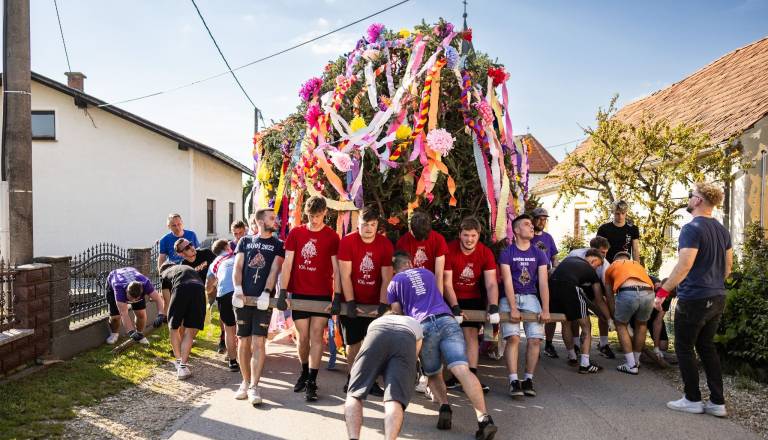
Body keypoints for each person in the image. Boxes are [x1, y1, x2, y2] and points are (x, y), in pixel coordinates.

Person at [387, 251, 497, 440]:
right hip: (447, 320)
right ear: (411, 262)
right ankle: (484, 419)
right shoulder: (428, 274)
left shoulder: (394, 283)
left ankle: (444, 406)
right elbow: (438, 293)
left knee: (433, 372)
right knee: (462, 369)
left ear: (394, 269)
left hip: (423, 325)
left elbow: (398, 313)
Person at [656, 182, 731, 417]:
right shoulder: (722, 230)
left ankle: (692, 399)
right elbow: (728, 268)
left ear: (698, 200)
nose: (689, 198)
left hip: (695, 298)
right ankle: (717, 403)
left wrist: (662, 293)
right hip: (717, 296)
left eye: (691, 195)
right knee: (707, 347)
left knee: (684, 347)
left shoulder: (692, 228)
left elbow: (684, 265)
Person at [277, 196, 341, 401]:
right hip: (300, 293)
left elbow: (337, 269)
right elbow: (288, 264)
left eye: (318, 216)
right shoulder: (296, 233)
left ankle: (312, 380)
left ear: (325, 214)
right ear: (306, 213)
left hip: (321, 294)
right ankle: (304, 371)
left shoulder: (331, 236)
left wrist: (337, 295)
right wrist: (283, 291)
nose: (314, 220)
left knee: (316, 337)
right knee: (302, 338)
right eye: (311, 216)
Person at [337, 205, 394, 394]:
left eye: (372, 224)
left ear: (377, 225)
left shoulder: (385, 244)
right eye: (364, 224)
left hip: (375, 301)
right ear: (357, 224)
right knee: (352, 344)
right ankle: (352, 379)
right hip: (351, 299)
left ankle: (371, 381)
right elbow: (345, 275)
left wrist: (384, 304)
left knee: (373, 344)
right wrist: (351, 302)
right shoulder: (348, 242)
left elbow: (387, 277)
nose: (368, 228)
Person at [232, 208, 284, 406]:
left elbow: (275, 269)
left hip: (263, 300)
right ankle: (244, 382)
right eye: (272, 218)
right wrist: (237, 288)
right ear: (261, 221)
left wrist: (267, 291)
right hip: (243, 299)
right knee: (243, 341)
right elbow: (238, 266)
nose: (276, 220)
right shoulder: (245, 241)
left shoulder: (278, 244)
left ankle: (254, 386)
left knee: (259, 342)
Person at [344, 313, 424, 440]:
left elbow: (367, 347)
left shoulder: (378, 320)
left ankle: (353, 437)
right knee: (394, 398)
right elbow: (413, 357)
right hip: (406, 337)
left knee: (354, 393)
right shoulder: (414, 323)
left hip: (376, 333)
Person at [443, 216, 499, 392]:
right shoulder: (449, 250)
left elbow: (491, 283)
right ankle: (454, 376)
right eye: (466, 235)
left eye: (473, 235)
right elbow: (446, 283)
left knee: (471, 334)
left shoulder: (485, 252)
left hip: (473, 296)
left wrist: (494, 306)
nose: (469, 239)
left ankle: (472, 376)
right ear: (460, 234)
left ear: (478, 235)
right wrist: (455, 307)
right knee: (451, 336)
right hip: (451, 296)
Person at [498, 214, 551, 397]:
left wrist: (545, 309)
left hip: (531, 297)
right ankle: (513, 380)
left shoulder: (539, 253)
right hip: (510, 297)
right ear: (516, 230)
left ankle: (528, 378)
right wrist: (512, 307)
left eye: (531, 224)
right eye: (527, 224)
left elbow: (543, 283)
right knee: (513, 338)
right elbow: (507, 282)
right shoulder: (507, 253)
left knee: (535, 339)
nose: (531, 227)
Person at [549, 250, 611, 373]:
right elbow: (598, 299)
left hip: (553, 287)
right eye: (598, 265)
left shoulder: (567, 260)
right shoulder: (590, 271)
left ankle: (572, 357)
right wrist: (609, 318)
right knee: (586, 326)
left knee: (566, 323)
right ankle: (585, 364)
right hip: (571, 288)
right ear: (593, 260)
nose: (597, 268)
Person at [562, 236, 616, 360]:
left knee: (603, 311)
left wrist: (610, 318)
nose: (603, 256)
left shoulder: (605, 265)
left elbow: (605, 295)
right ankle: (575, 345)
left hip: (591, 287)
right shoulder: (575, 254)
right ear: (592, 249)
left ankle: (604, 344)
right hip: (572, 285)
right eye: (602, 252)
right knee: (574, 316)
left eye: (606, 253)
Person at [604, 251, 655, 374]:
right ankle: (636, 361)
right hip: (649, 292)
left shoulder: (612, 266)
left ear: (615, 259)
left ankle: (631, 365)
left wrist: (613, 315)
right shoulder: (637, 265)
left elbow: (609, 296)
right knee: (642, 324)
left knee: (621, 325)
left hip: (628, 291)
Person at [160, 262, 207, 380]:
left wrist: (165, 317)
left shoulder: (165, 274)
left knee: (173, 327)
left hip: (181, 287)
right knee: (190, 331)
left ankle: (178, 362)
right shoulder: (187, 268)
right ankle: (183, 366)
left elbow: (167, 301)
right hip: (200, 289)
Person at [105, 267, 166, 345]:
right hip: (114, 279)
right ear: (126, 291)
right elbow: (124, 313)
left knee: (141, 314)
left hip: (132, 274)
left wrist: (161, 315)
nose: (133, 301)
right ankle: (114, 334)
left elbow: (158, 298)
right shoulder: (119, 288)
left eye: (135, 298)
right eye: (131, 298)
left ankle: (140, 334)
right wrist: (131, 332)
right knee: (115, 317)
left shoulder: (145, 283)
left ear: (142, 292)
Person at [206, 239, 239, 372]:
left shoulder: (214, 263)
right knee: (243, 328)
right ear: (227, 247)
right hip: (241, 292)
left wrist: (215, 284)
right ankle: (246, 356)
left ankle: (232, 361)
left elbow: (208, 288)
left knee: (229, 329)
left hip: (224, 294)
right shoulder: (237, 255)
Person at [395, 210, 449, 293]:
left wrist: (438, 300)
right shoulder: (402, 243)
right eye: (418, 237)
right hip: (412, 287)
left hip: (432, 286)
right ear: (411, 228)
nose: (422, 240)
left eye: (425, 236)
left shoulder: (439, 239)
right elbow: (404, 275)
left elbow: (439, 274)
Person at [157, 213, 199, 316]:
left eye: (179, 224)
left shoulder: (191, 235)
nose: (177, 227)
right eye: (174, 225)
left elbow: (198, 251)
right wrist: (161, 273)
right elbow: (162, 257)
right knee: (171, 299)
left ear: (182, 224)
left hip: (190, 269)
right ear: (169, 227)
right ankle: (169, 319)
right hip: (174, 270)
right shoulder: (164, 240)